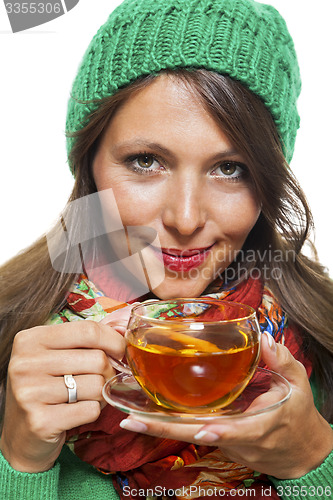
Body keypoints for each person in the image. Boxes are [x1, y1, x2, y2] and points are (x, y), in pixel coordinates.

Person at [1, 0, 333, 498]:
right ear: (88, 163)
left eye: (230, 168)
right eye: (146, 160)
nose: (184, 218)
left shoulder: (321, 333)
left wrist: (314, 460)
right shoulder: (11, 327)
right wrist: (20, 464)